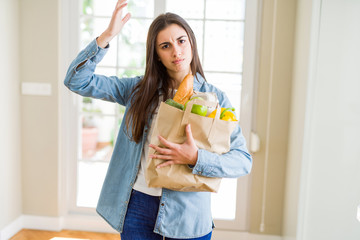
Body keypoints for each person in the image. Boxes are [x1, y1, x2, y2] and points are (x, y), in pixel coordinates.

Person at [64, 0, 252, 239]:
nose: (176, 51)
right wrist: (107, 36)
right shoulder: (137, 90)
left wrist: (196, 158)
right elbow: (76, 80)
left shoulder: (216, 100)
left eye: (181, 41)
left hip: (188, 213)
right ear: (157, 55)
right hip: (138, 205)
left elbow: (243, 160)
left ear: (191, 42)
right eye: (165, 46)